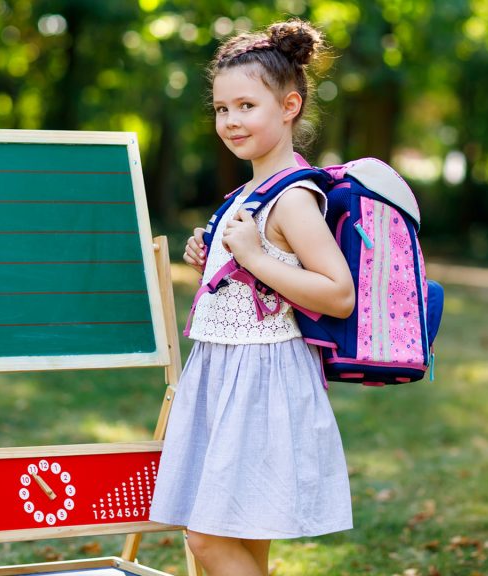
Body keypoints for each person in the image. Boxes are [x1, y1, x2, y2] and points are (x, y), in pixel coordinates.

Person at [148, 19, 354, 576]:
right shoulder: (248, 191)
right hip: (225, 370)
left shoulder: (292, 196)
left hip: (262, 379)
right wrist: (214, 258)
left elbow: (337, 294)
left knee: (207, 539)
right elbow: (256, 283)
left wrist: (256, 257)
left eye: (246, 105)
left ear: (288, 106)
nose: (231, 121)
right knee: (244, 536)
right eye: (221, 108)